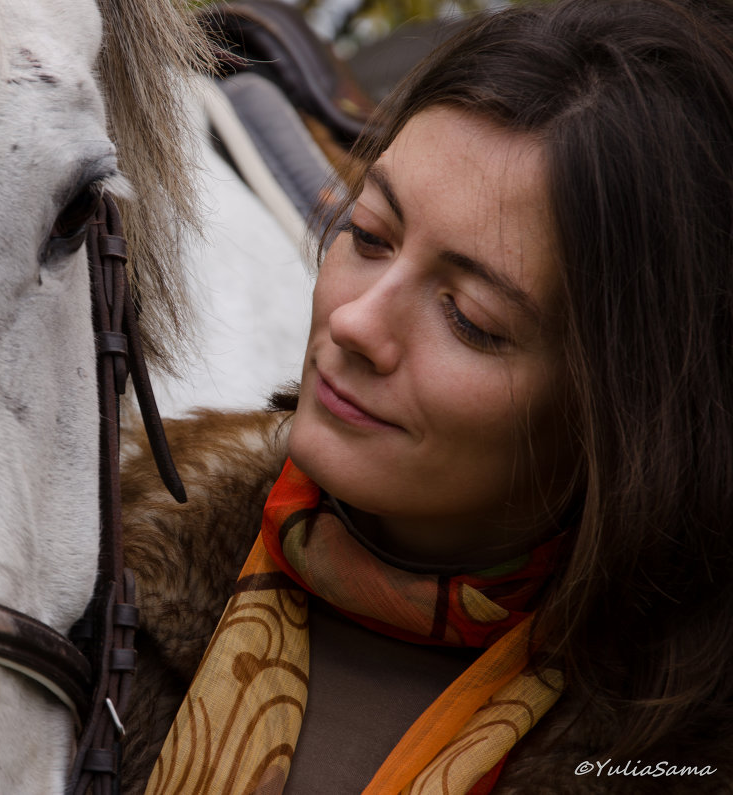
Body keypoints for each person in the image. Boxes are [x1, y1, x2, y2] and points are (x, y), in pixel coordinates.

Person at [115, 0, 733, 792]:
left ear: (625, 417)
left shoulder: (684, 746)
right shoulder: (107, 564)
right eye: (368, 236)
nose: (354, 319)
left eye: (471, 319)